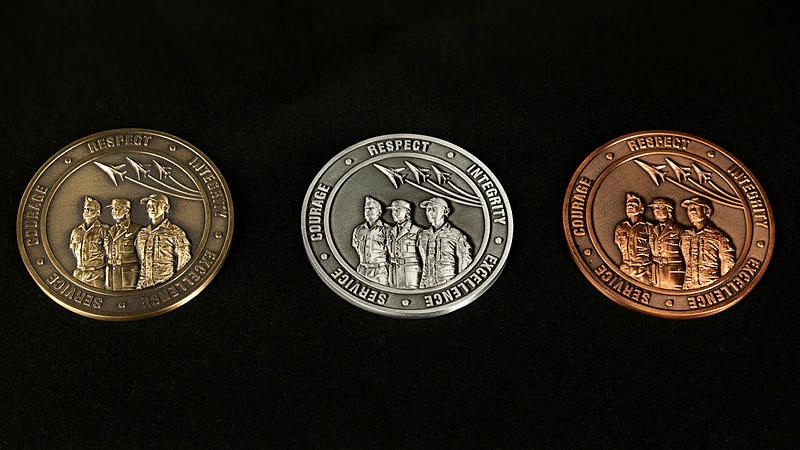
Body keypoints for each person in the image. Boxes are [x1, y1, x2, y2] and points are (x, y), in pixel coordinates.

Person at [135, 193, 191, 288]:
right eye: (148, 206)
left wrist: (176, 283)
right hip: (142, 286)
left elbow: (184, 259)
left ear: (165, 208)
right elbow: (140, 260)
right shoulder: (142, 233)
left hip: (166, 285)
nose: (151, 208)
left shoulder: (175, 232)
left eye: (155, 205)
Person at [679, 197, 736, 289]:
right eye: (689, 209)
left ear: (707, 212)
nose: (692, 211)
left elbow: (728, 264)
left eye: (696, 208)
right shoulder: (685, 236)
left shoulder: (719, 237)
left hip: (710, 286)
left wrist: (722, 286)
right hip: (688, 287)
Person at [417, 197, 472, 288]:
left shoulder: (455, 234)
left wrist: (460, 284)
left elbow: (465, 262)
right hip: (426, 285)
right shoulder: (422, 235)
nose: (430, 212)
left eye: (434, 208)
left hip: (448, 285)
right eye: (428, 209)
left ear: (445, 211)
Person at [70, 196, 109, 288]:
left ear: (98, 213)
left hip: (96, 275)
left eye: (90, 209)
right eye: (85, 208)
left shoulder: (104, 230)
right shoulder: (76, 231)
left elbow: (109, 253)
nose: (86, 211)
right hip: (79, 274)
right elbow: (74, 251)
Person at [613, 192, 652, 284]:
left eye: (633, 204)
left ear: (641, 208)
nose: (629, 207)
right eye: (628, 205)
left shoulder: (648, 227)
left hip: (643, 270)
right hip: (625, 269)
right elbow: (619, 244)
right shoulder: (620, 227)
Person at [647, 198, 685, 289]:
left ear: (669, 210)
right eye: (655, 208)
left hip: (673, 273)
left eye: (660, 207)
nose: (656, 210)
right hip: (656, 273)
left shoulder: (678, 230)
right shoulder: (652, 230)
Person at [352, 196, 390, 285]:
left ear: (379, 212)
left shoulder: (387, 229)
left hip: (380, 271)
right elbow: (356, 246)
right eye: (366, 209)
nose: (367, 211)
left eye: (371, 208)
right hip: (362, 270)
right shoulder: (358, 230)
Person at [105, 198, 141, 290]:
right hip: (111, 274)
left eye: (117, 208)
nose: (113, 211)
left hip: (128, 274)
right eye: (112, 209)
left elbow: (142, 257)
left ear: (126, 210)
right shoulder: (110, 230)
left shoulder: (136, 229)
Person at [386, 200, 422, 289]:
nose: (394, 213)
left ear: (407, 212)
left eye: (398, 209)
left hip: (411, 275)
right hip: (393, 273)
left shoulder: (417, 231)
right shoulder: (391, 231)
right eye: (393, 210)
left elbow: (424, 258)